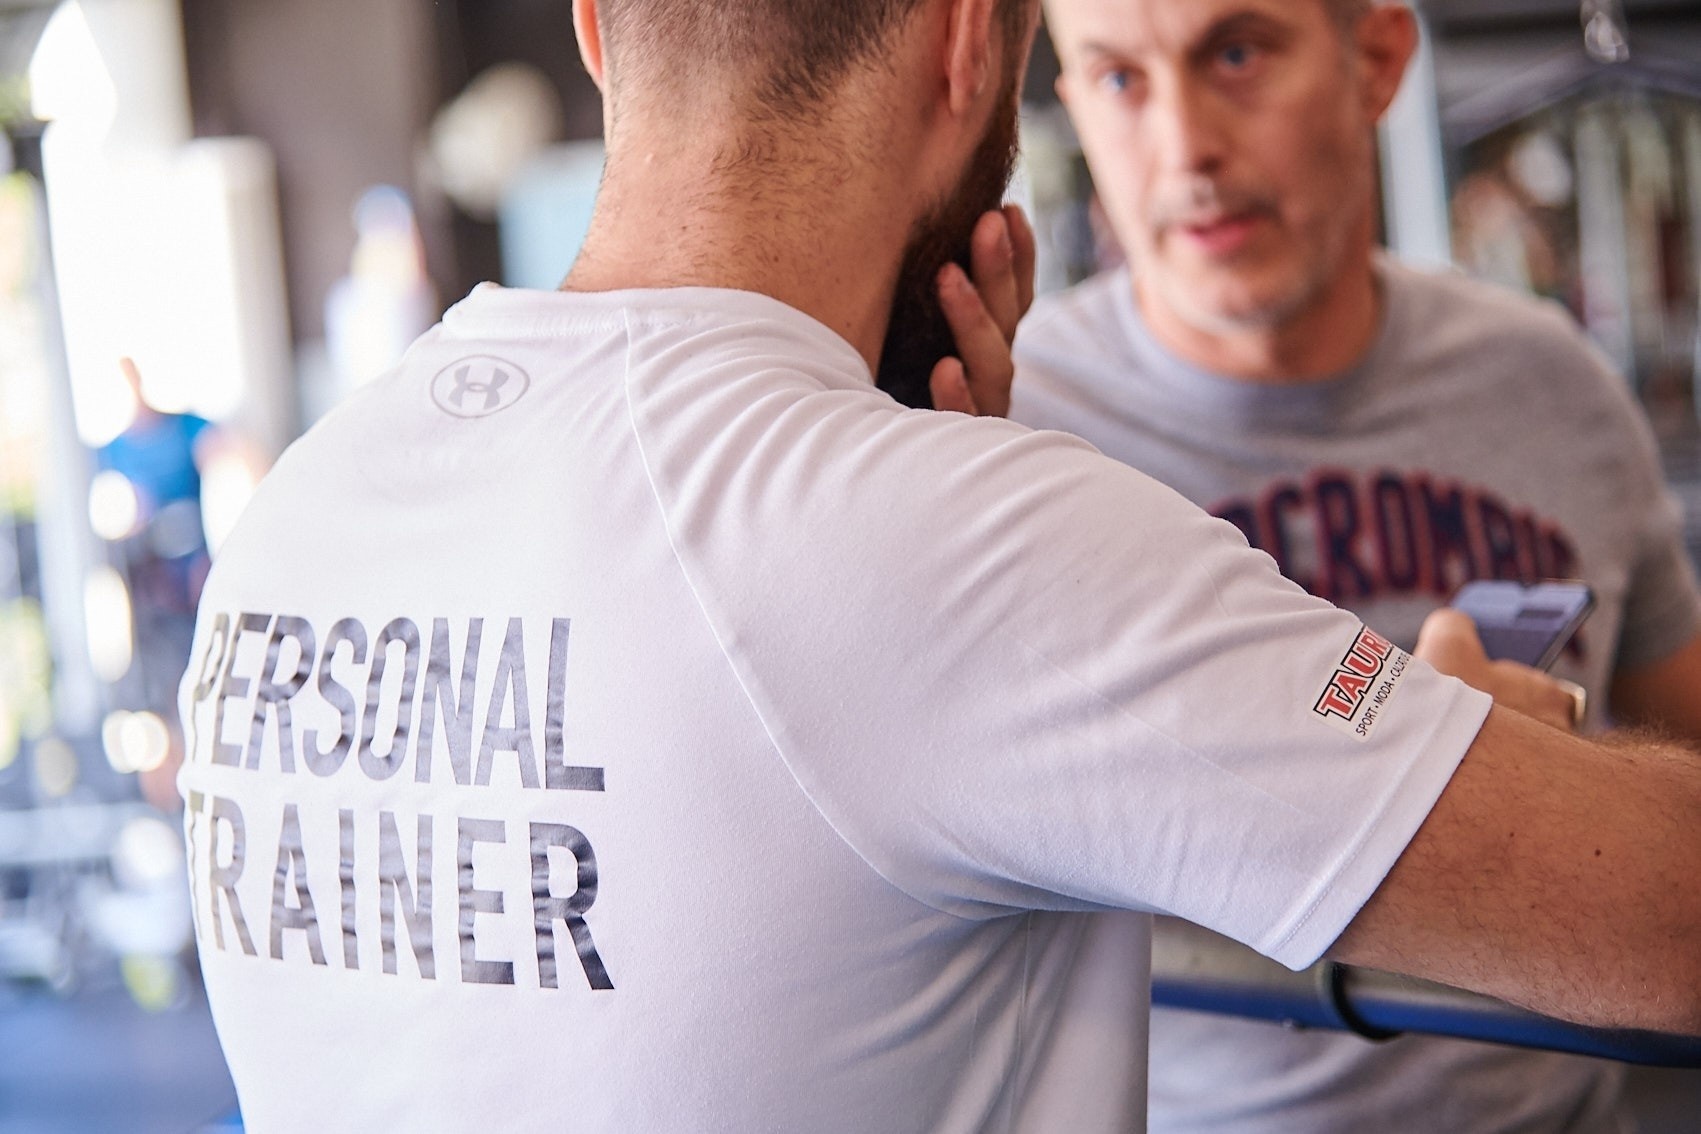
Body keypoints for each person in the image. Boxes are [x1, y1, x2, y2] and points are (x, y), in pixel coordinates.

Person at [176, 0, 1700, 1130]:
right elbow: (1667, 915)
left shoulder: (298, 514)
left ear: (595, 32)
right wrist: (1477, 745)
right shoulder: (979, 541)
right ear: (972, 42)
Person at [1013, 0, 1701, 1130]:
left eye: (1237, 54)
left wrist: (1554, 786)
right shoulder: (1005, 439)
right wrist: (1456, 781)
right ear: (1074, 101)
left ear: (1374, 58)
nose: (1185, 148)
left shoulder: (1552, 387)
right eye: (1120, 79)